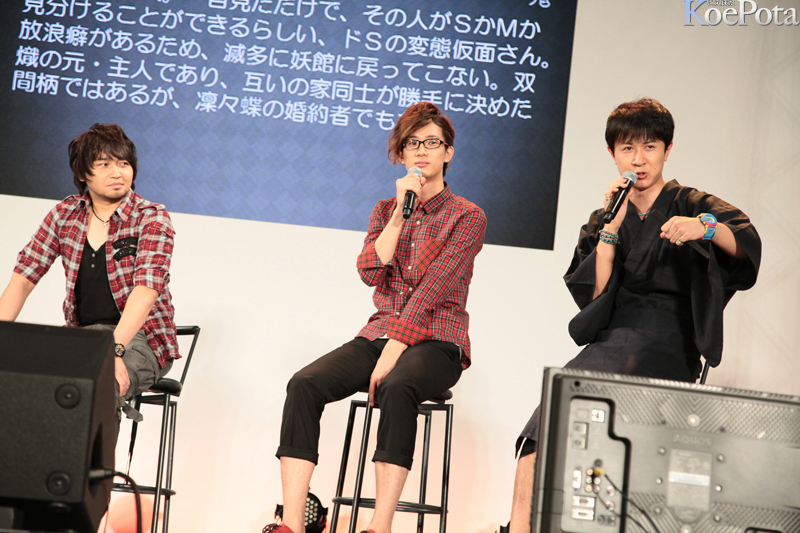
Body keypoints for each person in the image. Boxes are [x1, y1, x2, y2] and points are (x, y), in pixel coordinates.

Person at [503, 98, 761, 533]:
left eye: (649, 147)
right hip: (612, 341)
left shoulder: (691, 202)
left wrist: (705, 228)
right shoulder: (606, 215)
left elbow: (747, 247)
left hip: (670, 344)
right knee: (539, 434)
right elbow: (595, 299)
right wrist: (610, 228)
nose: (638, 160)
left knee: (610, 431)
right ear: (612, 154)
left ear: (667, 149)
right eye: (627, 148)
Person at [263, 102, 486, 533]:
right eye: (412, 143)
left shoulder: (467, 215)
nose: (421, 151)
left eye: (432, 142)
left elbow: (434, 287)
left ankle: (378, 526)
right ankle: (291, 524)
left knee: (398, 385)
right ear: (401, 155)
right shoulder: (386, 210)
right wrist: (401, 214)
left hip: (439, 340)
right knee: (304, 384)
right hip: (379, 333)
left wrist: (395, 349)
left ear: (449, 152)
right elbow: (369, 271)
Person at [0, 123, 179, 430]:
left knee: (100, 384)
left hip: (141, 339)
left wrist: (114, 351)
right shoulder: (65, 215)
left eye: (124, 163)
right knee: (27, 383)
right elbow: (24, 278)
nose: (117, 172)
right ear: (83, 173)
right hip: (81, 337)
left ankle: (95, 464)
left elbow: (146, 290)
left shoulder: (151, 217)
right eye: (104, 164)